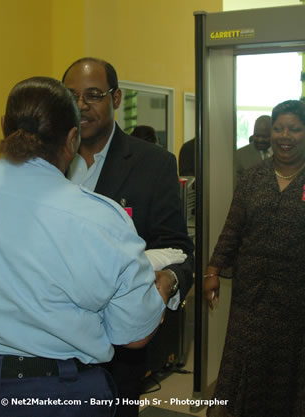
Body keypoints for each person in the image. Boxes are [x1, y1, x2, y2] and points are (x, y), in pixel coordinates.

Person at [0, 77, 174, 417]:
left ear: (3, 127)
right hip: (54, 393)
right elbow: (133, 335)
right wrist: (163, 286)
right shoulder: (100, 218)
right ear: (72, 139)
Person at [203, 100, 305, 417]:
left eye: (294, 129)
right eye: (279, 128)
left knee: (295, 370)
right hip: (254, 295)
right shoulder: (252, 177)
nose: (285, 136)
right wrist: (212, 271)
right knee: (249, 362)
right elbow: (233, 226)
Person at [63, 57, 194, 417]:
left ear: (116, 98)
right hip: (51, 344)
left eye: (93, 95)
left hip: (118, 348)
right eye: (71, 95)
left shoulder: (153, 164)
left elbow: (179, 249)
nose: (81, 106)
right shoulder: (46, 160)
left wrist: (167, 282)